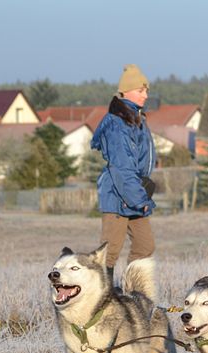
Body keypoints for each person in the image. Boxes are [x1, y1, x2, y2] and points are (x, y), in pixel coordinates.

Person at [90, 64, 157, 280]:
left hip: (135, 193)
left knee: (145, 246)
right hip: (118, 196)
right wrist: (139, 199)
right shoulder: (116, 124)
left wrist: (140, 195)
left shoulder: (136, 119)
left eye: (146, 90)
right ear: (126, 91)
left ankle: (134, 294)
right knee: (109, 254)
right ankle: (102, 299)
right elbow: (121, 168)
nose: (146, 95)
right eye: (141, 90)